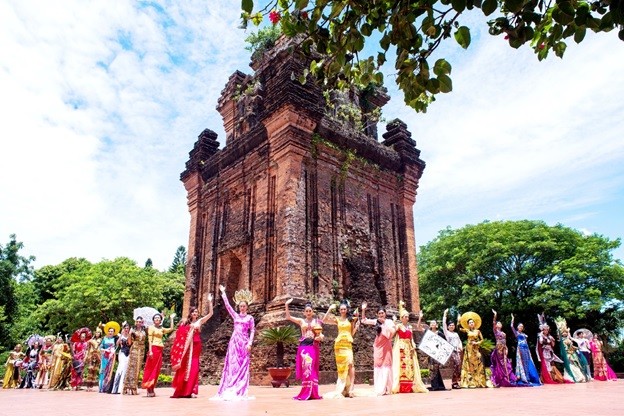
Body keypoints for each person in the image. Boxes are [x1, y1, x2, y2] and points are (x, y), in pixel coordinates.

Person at [211, 285, 255, 401]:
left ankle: (240, 388)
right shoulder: (235, 315)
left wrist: (250, 343)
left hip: (244, 343)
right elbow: (228, 306)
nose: (242, 308)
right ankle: (231, 386)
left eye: (244, 306)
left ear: (247, 307)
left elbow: (253, 330)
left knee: (243, 365)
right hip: (234, 342)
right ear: (238, 307)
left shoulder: (250, 318)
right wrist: (224, 292)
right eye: (240, 306)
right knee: (233, 365)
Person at [171, 294, 214, 398]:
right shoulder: (185, 322)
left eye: (196, 312)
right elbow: (179, 335)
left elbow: (211, 314)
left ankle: (191, 390)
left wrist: (209, 301)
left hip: (196, 346)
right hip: (186, 347)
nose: (195, 313)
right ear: (190, 313)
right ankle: (182, 390)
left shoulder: (199, 321)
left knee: (194, 367)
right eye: (193, 312)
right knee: (184, 367)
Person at [287, 298, 323, 400]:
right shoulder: (301, 321)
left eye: (310, 311)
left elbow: (321, 334)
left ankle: (313, 392)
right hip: (303, 347)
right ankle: (306, 391)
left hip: (313, 346)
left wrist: (320, 337)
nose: (308, 312)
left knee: (312, 368)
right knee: (306, 368)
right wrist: (286, 305)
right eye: (306, 311)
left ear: (312, 312)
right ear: (304, 312)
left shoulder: (316, 321)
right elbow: (288, 317)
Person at [322, 300, 359, 398]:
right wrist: (329, 309)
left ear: (347, 310)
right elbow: (324, 320)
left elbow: (351, 333)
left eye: (344, 309)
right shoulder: (337, 319)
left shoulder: (351, 320)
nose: (343, 310)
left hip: (347, 344)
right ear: (339, 310)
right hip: (339, 345)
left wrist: (356, 328)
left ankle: (351, 387)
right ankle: (343, 387)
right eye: (341, 309)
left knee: (351, 363)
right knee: (342, 367)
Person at [391, 301, 428, 394]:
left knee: (409, 366)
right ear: (402, 318)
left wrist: (413, 345)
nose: (407, 318)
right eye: (405, 317)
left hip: (409, 347)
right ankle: (401, 386)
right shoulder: (399, 326)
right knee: (401, 365)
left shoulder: (410, 327)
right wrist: (394, 322)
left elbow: (411, 338)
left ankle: (410, 385)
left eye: (407, 316)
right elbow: (392, 334)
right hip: (401, 347)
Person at [361, 302, 396, 395]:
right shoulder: (376, 321)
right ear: (377, 314)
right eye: (379, 313)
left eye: (382, 313)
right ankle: (380, 388)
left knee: (387, 365)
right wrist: (363, 309)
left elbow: (393, 331)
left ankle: (387, 388)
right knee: (378, 364)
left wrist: (385, 323)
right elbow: (363, 320)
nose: (381, 315)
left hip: (386, 346)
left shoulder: (389, 322)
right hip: (378, 346)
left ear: (385, 313)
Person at [142, 312, 176, 397]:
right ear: (153, 320)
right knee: (151, 368)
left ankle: (152, 388)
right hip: (153, 348)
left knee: (157, 369)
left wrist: (171, 318)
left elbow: (171, 328)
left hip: (160, 349)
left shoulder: (161, 329)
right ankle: (149, 388)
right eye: (156, 318)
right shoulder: (151, 328)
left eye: (159, 318)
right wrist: (150, 351)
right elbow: (150, 340)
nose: (157, 319)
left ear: (161, 320)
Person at [459, 312, 490, 388]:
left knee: (478, 363)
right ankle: (470, 382)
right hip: (469, 349)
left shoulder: (478, 331)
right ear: (468, 324)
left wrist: (477, 343)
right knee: (469, 364)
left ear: (474, 323)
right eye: (470, 323)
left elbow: (482, 340)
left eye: (472, 322)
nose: (471, 323)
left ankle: (479, 381)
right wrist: (458, 320)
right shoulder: (467, 330)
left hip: (476, 349)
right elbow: (459, 329)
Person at [417, 314, 446, 391]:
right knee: (431, 369)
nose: (433, 324)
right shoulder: (428, 332)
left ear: (436, 325)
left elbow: (444, 344)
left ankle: (436, 385)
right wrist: (420, 317)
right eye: (431, 323)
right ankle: (437, 385)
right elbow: (419, 327)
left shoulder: (439, 333)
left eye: (434, 323)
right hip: (430, 354)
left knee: (435, 369)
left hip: (436, 354)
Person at [510, 314, 541, 386]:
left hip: (526, 349)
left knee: (528, 363)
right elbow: (511, 326)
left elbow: (526, 342)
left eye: (522, 326)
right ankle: (524, 378)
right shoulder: (517, 333)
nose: (521, 327)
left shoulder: (524, 334)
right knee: (523, 363)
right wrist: (512, 319)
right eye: (519, 326)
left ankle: (528, 378)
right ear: (517, 327)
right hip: (521, 348)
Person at [490, 310, 518, 387]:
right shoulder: (495, 331)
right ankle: (501, 379)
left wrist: (506, 348)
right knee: (501, 363)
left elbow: (505, 342)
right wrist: (495, 315)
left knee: (506, 362)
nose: (499, 324)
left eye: (500, 323)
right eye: (498, 323)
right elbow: (494, 322)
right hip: (499, 348)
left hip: (504, 348)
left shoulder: (503, 333)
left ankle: (507, 378)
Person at [535, 315, 567, 384]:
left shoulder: (549, 336)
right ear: (543, 330)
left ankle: (553, 377)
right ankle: (546, 378)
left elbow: (553, 344)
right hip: (544, 352)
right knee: (546, 364)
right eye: (545, 330)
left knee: (551, 364)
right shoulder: (541, 336)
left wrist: (552, 341)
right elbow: (540, 342)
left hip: (550, 352)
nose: (546, 331)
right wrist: (546, 341)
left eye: (547, 330)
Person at [555, 317, 587, 383]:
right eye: (563, 333)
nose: (565, 334)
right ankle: (576, 377)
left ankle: (580, 377)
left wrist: (576, 348)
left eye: (566, 332)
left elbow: (571, 346)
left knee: (576, 365)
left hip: (573, 354)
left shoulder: (568, 339)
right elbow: (565, 349)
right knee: (571, 365)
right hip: (568, 355)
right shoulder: (562, 341)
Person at [123, 316, 146, 395]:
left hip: (142, 350)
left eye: (140, 321)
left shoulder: (145, 330)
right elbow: (129, 343)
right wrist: (129, 333)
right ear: (135, 322)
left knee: (138, 368)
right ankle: (127, 386)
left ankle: (134, 386)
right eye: (137, 321)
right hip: (134, 349)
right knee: (132, 367)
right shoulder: (133, 330)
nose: (139, 323)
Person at [442, 309, 462, 389]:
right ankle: (454, 382)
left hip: (457, 351)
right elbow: (443, 324)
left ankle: (456, 381)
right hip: (451, 351)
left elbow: (459, 341)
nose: (452, 326)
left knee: (458, 365)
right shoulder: (447, 332)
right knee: (455, 365)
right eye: (450, 325)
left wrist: (460, 346)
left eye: (453, 325)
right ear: (448, 326)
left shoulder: (456, 334)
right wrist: (445, 314)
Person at [110, 322, 131, 394]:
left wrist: (129, 336)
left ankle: (122, 389)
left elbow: (130, 344)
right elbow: (117, 344)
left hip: (128, 353)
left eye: (127, 328)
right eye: (125, 328)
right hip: (122, 353)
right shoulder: (121, 335)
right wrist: (121, 335)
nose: (126, 329)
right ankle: (115, 388)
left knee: (125, 369)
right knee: (120, 368)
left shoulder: (130, 335)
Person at [99, 322, 119, 392]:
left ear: (114, 333)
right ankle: (101, 387)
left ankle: (107, 388)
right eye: (109, 331)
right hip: (105, 356)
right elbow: (100, 347)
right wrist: (105, 349)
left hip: (111, 357)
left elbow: (121, 337)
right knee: (103, 371)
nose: (110, 332)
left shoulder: (115, 339)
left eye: (112, 331)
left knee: (109, 371)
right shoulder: (104, 339)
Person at [84, 326, 103, 391]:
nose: (97, 334)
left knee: (94, 370)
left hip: (97, 356)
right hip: (91, 355)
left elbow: (98, 346)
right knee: (90, 370)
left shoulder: (100, 340)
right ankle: (88, 386)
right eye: (96, 332)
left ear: (100, 334)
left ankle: (91, 386)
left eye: (98, 333)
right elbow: (88, 347)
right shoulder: (92, 340)